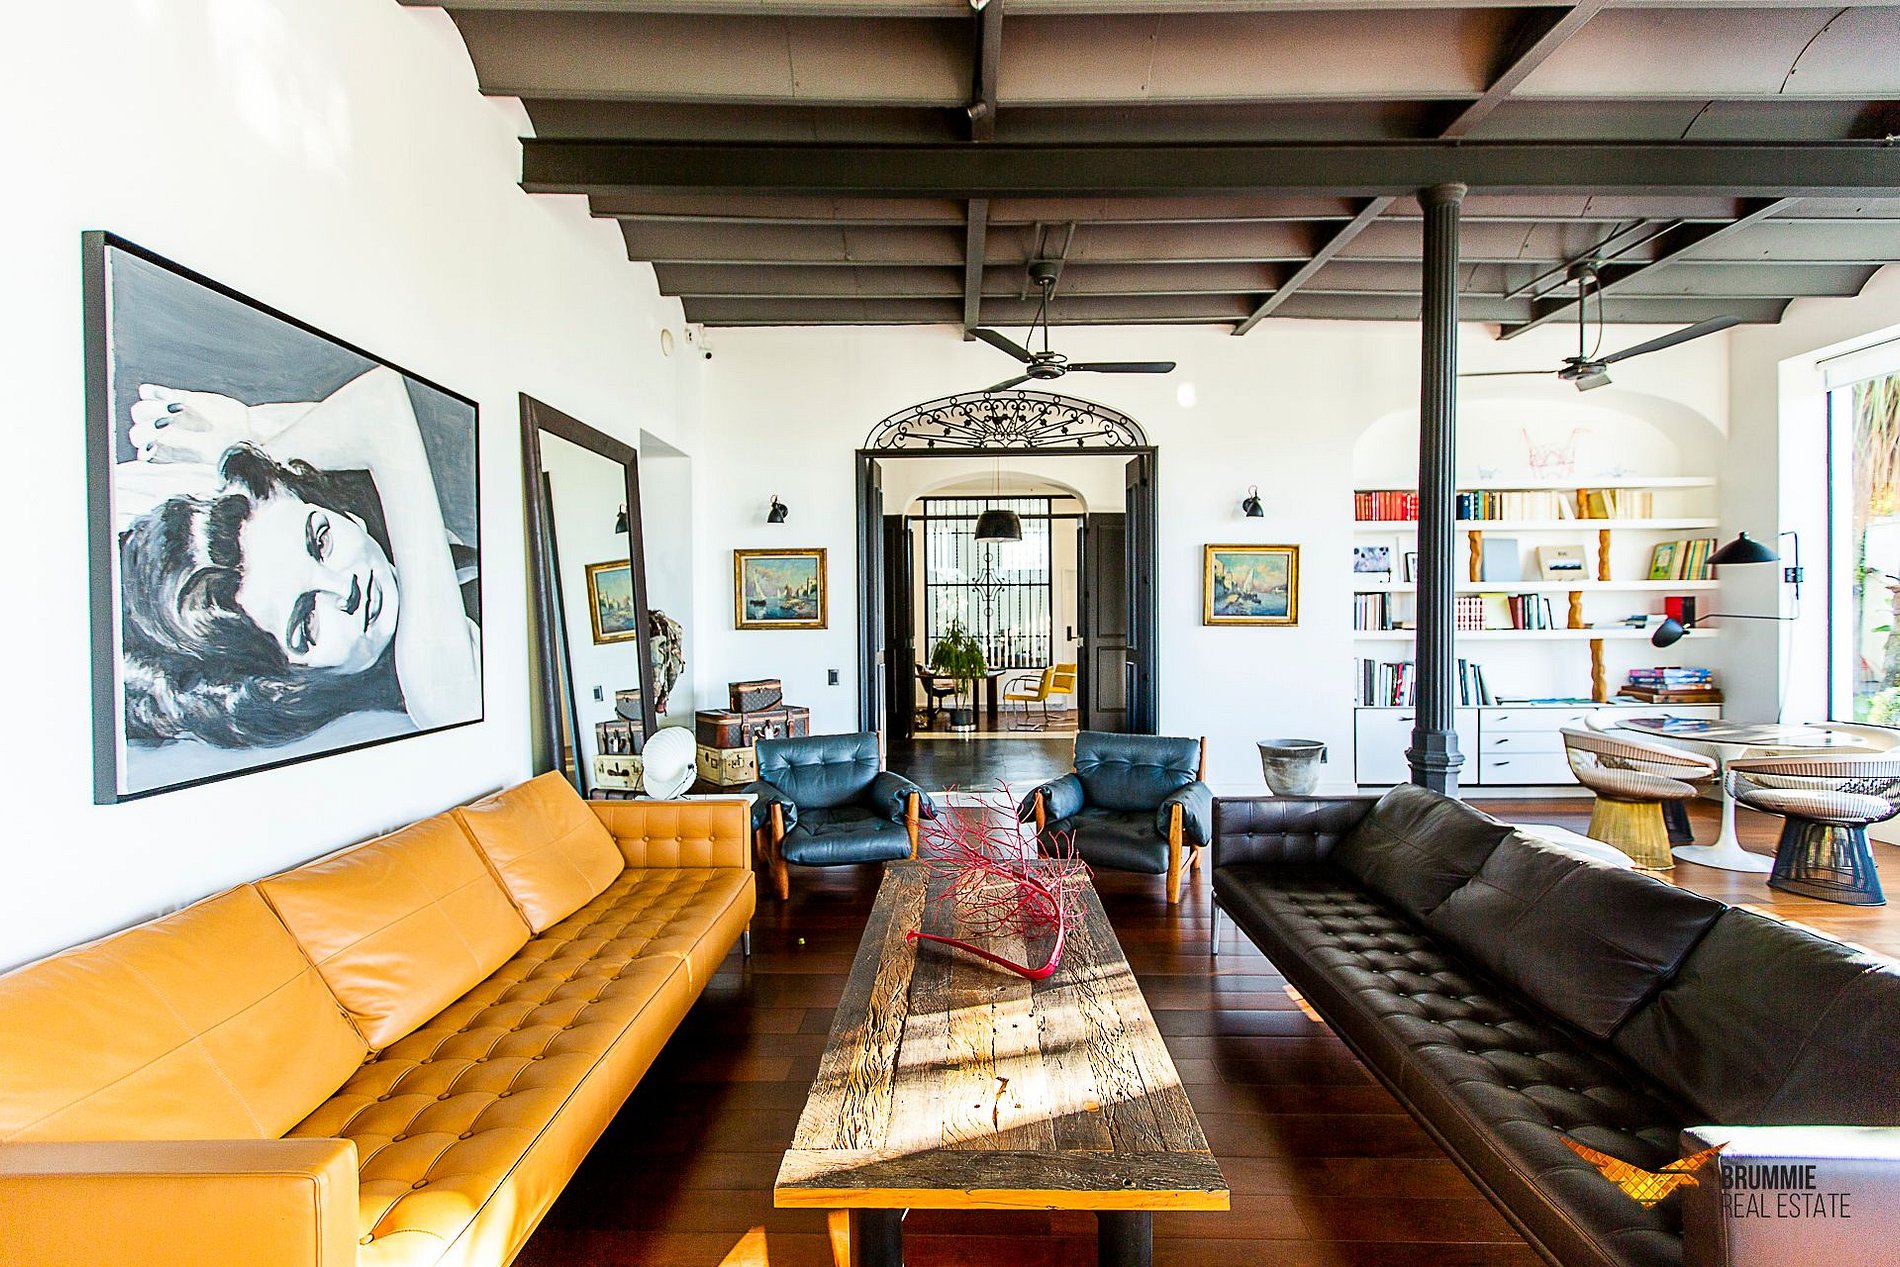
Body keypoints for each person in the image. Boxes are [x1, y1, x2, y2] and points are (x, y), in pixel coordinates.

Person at [116, 365, 481, 748]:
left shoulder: (427, 559)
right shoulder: (439, 692)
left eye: (321, 542)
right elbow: (378, 412)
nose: (346, 589)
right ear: (283, 684)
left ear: (346, 515)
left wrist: (250, 439)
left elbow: (374, 416)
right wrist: (247, 446)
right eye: (307, 622)